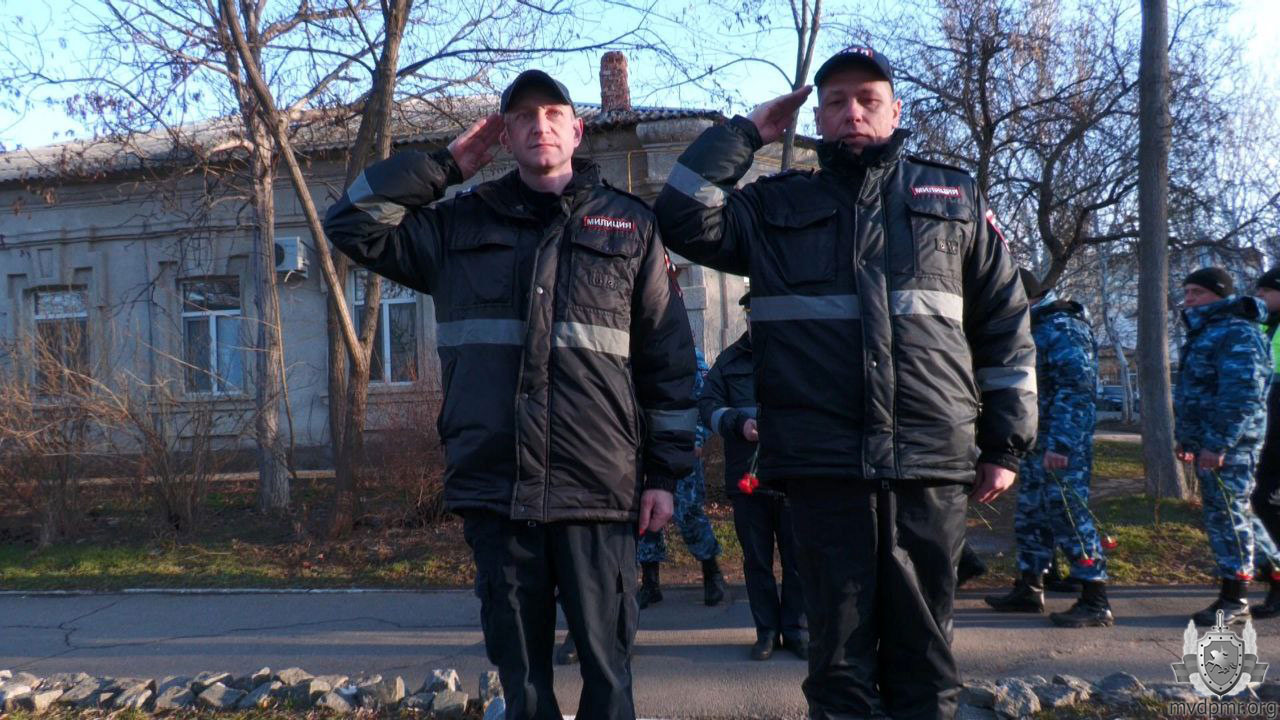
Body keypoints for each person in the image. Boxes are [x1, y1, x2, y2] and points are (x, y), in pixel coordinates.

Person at [654, 46, 1036, 720]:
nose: (852, 112)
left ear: (894, 110)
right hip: (822, 467)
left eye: (867, 99)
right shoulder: (775, 205)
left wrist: (1006, 442)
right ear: (819, 118)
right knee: (836, 662)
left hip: (928, 460)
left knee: (926, 659)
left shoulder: (952, 199)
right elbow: (682, 215)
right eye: (836, 101)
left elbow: (1003, 320)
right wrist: (748, 133)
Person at [324, 69, 697, 720]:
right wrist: (444, 167)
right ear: (505, 136)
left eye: (552, 114)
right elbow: (352, 223)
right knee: (521, 686)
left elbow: (666, 361)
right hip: (499, 491)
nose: (539, 125)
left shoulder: (631, 226)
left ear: (577, 131)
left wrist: (664, 474)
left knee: (609, 678)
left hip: (597, 492)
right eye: (523, 116)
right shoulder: (457, 226)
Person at [985, 269, 1112, 627]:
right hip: (1037, 443)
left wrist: (1061, 444)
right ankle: (1030, 587)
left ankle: (1095, 598)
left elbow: (1076, 390)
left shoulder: (1063, 328)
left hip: (1060, 445)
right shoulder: (1035, 327)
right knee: (1032, 515)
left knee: (1069, 516)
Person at [699, 292, 807, 661]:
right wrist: (738, 423)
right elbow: (707, 406)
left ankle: (797, 629)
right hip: (748, 479)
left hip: (792, 475)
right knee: (757, 560)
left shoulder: (797, 354)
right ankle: (767, 632)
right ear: (746, 318)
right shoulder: (729, 361)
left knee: (797, 559)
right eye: (752, 316)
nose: (757, 322)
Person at [1175, 267, 1280, 626]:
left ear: (1220, 295)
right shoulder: (1207, 330)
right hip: (1211, 443)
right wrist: (1189, 439)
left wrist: (1217, 444)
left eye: (1198, 293)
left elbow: (1241, 396)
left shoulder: (1237, 331)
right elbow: (1196, 392)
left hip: (1232, 446)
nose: (1189, 299)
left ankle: (1235, 597)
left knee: (1228, 518)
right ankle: (1276, 574)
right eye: (1187, 292)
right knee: (1238, 514)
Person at [635, 346, 728, 609]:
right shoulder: (636, 352)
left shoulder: (687, 354)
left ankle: (712, 573)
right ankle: (650, 582)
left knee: (689, 513)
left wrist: (696, 438)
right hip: (644, 449)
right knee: (646, 513)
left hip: (679, 448)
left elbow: (704, 400)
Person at [1252, 267, 1280, 618]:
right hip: (1267, 430)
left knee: (1267, 503)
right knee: (1260, 501)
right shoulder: (1262, 325)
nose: (1260, 297)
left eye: (1266, 292)